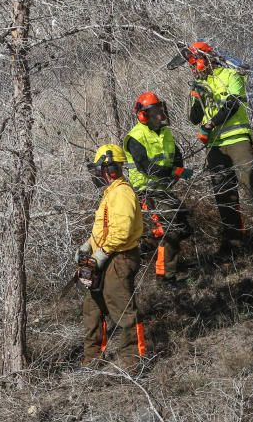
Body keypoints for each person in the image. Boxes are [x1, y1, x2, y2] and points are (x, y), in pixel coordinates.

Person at [185, 41, 253, 255]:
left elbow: (233, 104)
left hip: (237, 140)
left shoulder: (231, 76)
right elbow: (194, 118)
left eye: (194, 62)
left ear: (205, 59)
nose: (193, 68)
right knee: (223, 193)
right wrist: (196, 96)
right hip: (215, 147)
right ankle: (234, 244)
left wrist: (211, 124)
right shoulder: (200, 85)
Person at [77, 144, 145, 369]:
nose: (98, 174)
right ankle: (91, 359)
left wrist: (102, 254)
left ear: (111, 168)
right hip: (104, 256)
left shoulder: (122, 193)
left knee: (123, 309)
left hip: (119, 258)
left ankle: (133, 363)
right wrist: (88, 246)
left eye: (100, 169)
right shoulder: (111, 193)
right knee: (92, 308)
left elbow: (122, 231)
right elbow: (105, 228)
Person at [123, 92, 193, 288]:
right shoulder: (135, 137)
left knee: (185, 226)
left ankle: (146, 246)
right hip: (146, 191)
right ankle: (165, 277)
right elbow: (148, 168)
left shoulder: (165, 133)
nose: (160, 114)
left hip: (163, 189)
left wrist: (179, 170)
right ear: (143, 114)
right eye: (155, 111)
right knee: (169, 229)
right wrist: (173, 171)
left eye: (160, 109)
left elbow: (176, 155)